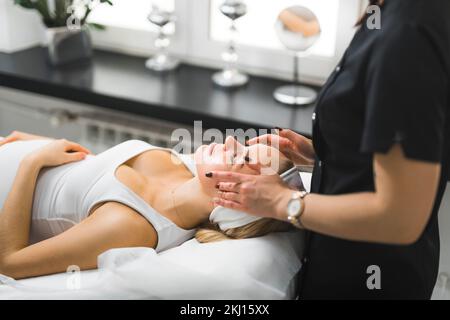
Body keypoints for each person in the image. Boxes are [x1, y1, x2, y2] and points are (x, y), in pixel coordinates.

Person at [209, 0, 450, 299]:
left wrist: (284, 202)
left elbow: (400, 218)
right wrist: (324, 152)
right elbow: (393, 140)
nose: (232, 147)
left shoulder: (408, 32)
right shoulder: (389, 15)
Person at [0, 131, 293, 280]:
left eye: (240, 159)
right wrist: (44, 143)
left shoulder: (131, 226)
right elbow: (95, 170)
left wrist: (31, 162)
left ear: (230, 202)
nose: (230, 142)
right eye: (244, 146)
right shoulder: (188, 167)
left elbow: (9, 263)